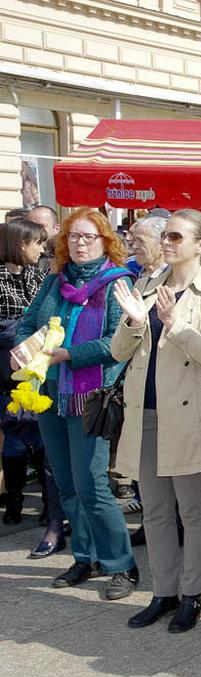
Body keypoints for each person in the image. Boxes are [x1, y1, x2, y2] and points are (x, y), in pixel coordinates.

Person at [110, 209, 201, 633]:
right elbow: (118, 351)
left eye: (176, 236)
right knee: (155, 511)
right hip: (145, 413)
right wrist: (134, 320)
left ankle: (193, 592)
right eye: (165, 235)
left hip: (189, 416)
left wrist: (173, 324)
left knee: (193, 510)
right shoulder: (146, 285)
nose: (166, 241)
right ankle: (163, 592)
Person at [15, 207, 137, 599]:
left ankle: (122, 565)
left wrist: (70, 354)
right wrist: (24, 346)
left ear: (105, 241)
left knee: (92, 485)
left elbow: (117, 344)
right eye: (73, 236)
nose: (80, 243)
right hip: (49, 392)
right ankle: (86, 557)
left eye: (88, 237)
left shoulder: (117, 282)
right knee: (65, 482)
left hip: (89, 396)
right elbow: (28, 321)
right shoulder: (57, 279)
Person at [0, 218, 55, 546]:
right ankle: (15, 498)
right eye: (37, 243)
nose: (42, 249)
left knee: (44, 438)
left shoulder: (41, 274)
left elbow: (46, 318)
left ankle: (50, 505)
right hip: (7, 371)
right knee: (15, 436)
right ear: (21, 243)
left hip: (40, 366)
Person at [125, 215, 168, 279]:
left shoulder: (173, 277)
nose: (134, 246)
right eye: (134, 240)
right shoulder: (129, 267)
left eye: (141, 241)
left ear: (161, 244)